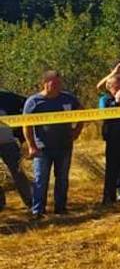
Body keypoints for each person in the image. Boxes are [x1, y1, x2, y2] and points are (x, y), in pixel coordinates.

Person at [23, 71, 83, 219]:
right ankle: (38, 211)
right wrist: (31, 146)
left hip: (64, 146)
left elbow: (83, 113)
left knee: (62, 178)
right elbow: (26, 125)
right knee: (40, 179)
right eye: (53, 83)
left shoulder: (68, 98)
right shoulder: (34, 101)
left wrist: (77, 131)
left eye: (59, 83)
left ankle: (61, 208)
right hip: (42, 148)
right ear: (44, 83)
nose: (57, 86)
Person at [0, 89, 31, 211]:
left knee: (18, 172)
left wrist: (23, 136)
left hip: (8, 143)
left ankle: (30, 201)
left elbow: (29, 104)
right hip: (8, 142)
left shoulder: (7, 97)